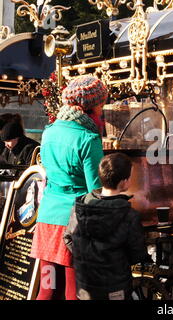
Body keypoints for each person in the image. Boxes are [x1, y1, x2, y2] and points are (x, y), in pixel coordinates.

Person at [30, 75, 108, 300]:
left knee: (47, 286)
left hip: (46, 219)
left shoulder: (49, 132)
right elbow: (96, 190)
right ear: (92, 106)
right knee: (74, 292)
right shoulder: (88, 138)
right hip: (74, 224)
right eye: (101, 105)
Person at [64, 152, 150, 300]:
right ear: (124, 182)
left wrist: (88, 257)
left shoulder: (81, 205)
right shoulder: (129, 215)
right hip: (115, 290)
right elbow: (137, 254)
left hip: (85, 288)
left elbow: (68, 238)